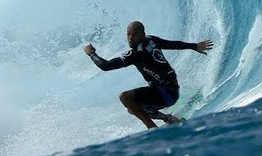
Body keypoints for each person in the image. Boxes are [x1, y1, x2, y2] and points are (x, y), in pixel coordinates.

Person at [84, 20, 214, 129]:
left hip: (165, 94)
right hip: (172, 91)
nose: (130, 38)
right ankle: (169, 119)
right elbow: (172, 44)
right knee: (133, 108)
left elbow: (105, 66)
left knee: (125, 97)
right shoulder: (151, 40)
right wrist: (194, 46)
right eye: (128, 34)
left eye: (135, 35)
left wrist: (91, 53)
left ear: (142, 35)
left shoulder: (135, 54)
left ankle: (152, 128)